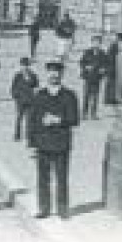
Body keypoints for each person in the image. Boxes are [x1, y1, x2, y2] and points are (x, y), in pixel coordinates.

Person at [27, 60, 80, 219]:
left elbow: (74, 119)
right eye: (50, 71)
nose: (53, 75)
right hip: (42, 144)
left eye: (57, 72)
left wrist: (58, 120)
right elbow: (32, 121)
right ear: (46, 74)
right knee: (42, 179)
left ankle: (63, 209)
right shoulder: (39, 95)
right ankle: (44, 208)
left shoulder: (69, 95)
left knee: (62, 178)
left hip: (61, 143)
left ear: (61, 75)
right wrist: (31, 144)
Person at [9, 56, 39, 142]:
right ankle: (17, 135)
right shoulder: (17, 76)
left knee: (29, 120)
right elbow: (13, 88)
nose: (25, 67)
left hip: (30, 100)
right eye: (23, 65)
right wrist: (16, 96)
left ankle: (29, 136)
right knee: (19, 118)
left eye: (26, 65)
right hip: (20, 100)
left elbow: (36, 85)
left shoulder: (33, 75)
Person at [78, 34, 107, 120]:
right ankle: (84, 113)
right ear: (91, 43)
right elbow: (81, 62)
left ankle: (93, 113)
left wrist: (103, 69)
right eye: (94, 42)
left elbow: (106, 63)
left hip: (97, 77)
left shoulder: (102, 53)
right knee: (86, 95)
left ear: (100, 44)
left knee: (95, 96)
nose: (96, 44)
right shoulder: (87, 52)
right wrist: (86, 66)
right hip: (88, 77)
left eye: (98, 42)